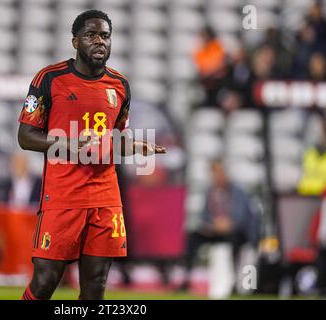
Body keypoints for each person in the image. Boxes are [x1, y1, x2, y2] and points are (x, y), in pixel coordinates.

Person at [17, 10, 166, 300]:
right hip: (62, 197)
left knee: (95, 286)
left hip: (105, 198)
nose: (99, 41)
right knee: (46, 281)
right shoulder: (50, 79)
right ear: (75, 42)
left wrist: (136, 147)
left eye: (105, 36)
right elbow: (25, 137)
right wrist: (69, 144)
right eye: (91, 35)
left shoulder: (120, 86)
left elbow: (113, 140)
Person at [183, 159, 259, 289]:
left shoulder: (238, 192)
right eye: (215, 173)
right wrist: (213, 224)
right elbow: (204, 216)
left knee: (235, 239)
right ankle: (186, 278)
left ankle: (234, 280)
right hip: (215, 230)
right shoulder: (209, 191)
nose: (218, 176)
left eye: (220, 172)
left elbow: (241, 218)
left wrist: (227, 224)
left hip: (235, 231)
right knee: (192, 237)